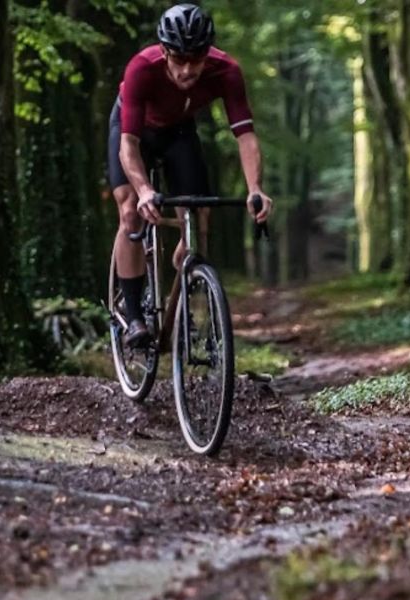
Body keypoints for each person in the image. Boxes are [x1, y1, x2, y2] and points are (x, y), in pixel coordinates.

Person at [108, 3, 272, 346]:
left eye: (195, 60)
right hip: (133, 130)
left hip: (178, 132)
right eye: (178, 60)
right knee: (129, 214)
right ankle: (135, 316)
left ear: (206, 53)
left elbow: (245, 136)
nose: (186, 70)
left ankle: (180, 303)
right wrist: (142, 190)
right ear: (165, 52)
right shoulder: (143, 68)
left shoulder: (225, 70)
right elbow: (128, 145)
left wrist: (255, 188)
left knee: (198, 221)